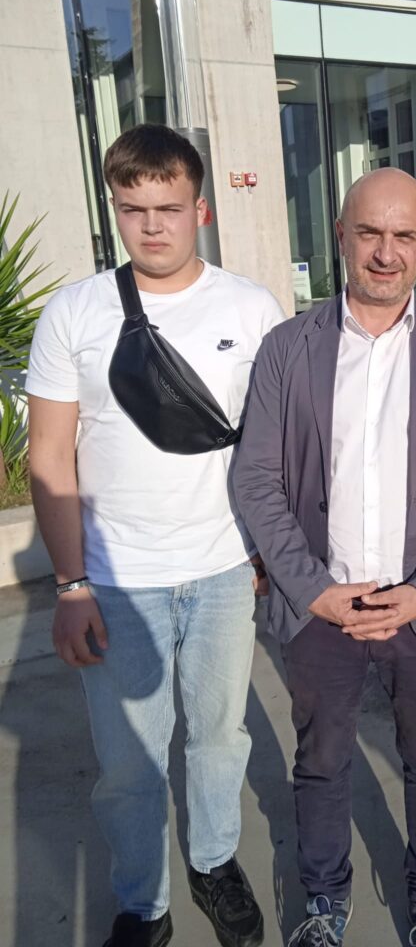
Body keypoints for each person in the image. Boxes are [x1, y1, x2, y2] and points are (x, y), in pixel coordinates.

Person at [233, 167, 416, 947]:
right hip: (321, 608)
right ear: (341, 237)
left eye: (402, 236)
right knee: (322, 760)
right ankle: (324, 900)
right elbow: (256, 479)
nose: (385, 253)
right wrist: (311, 589)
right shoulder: (288, 349)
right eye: (369, 233)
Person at [27, 124, 284, 947]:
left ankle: (212, 862)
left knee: (219, 740)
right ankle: (143, 903)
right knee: (128, 766)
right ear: (115, 209)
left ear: (200, 208)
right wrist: (71, 586)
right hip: (115, 580)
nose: (152, 226)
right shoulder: (75, 312)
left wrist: (264, 550)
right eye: (133, 209)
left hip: (222, 571)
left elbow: (271, 445)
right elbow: (49, 455)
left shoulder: (251, 308)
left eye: (168, 208)